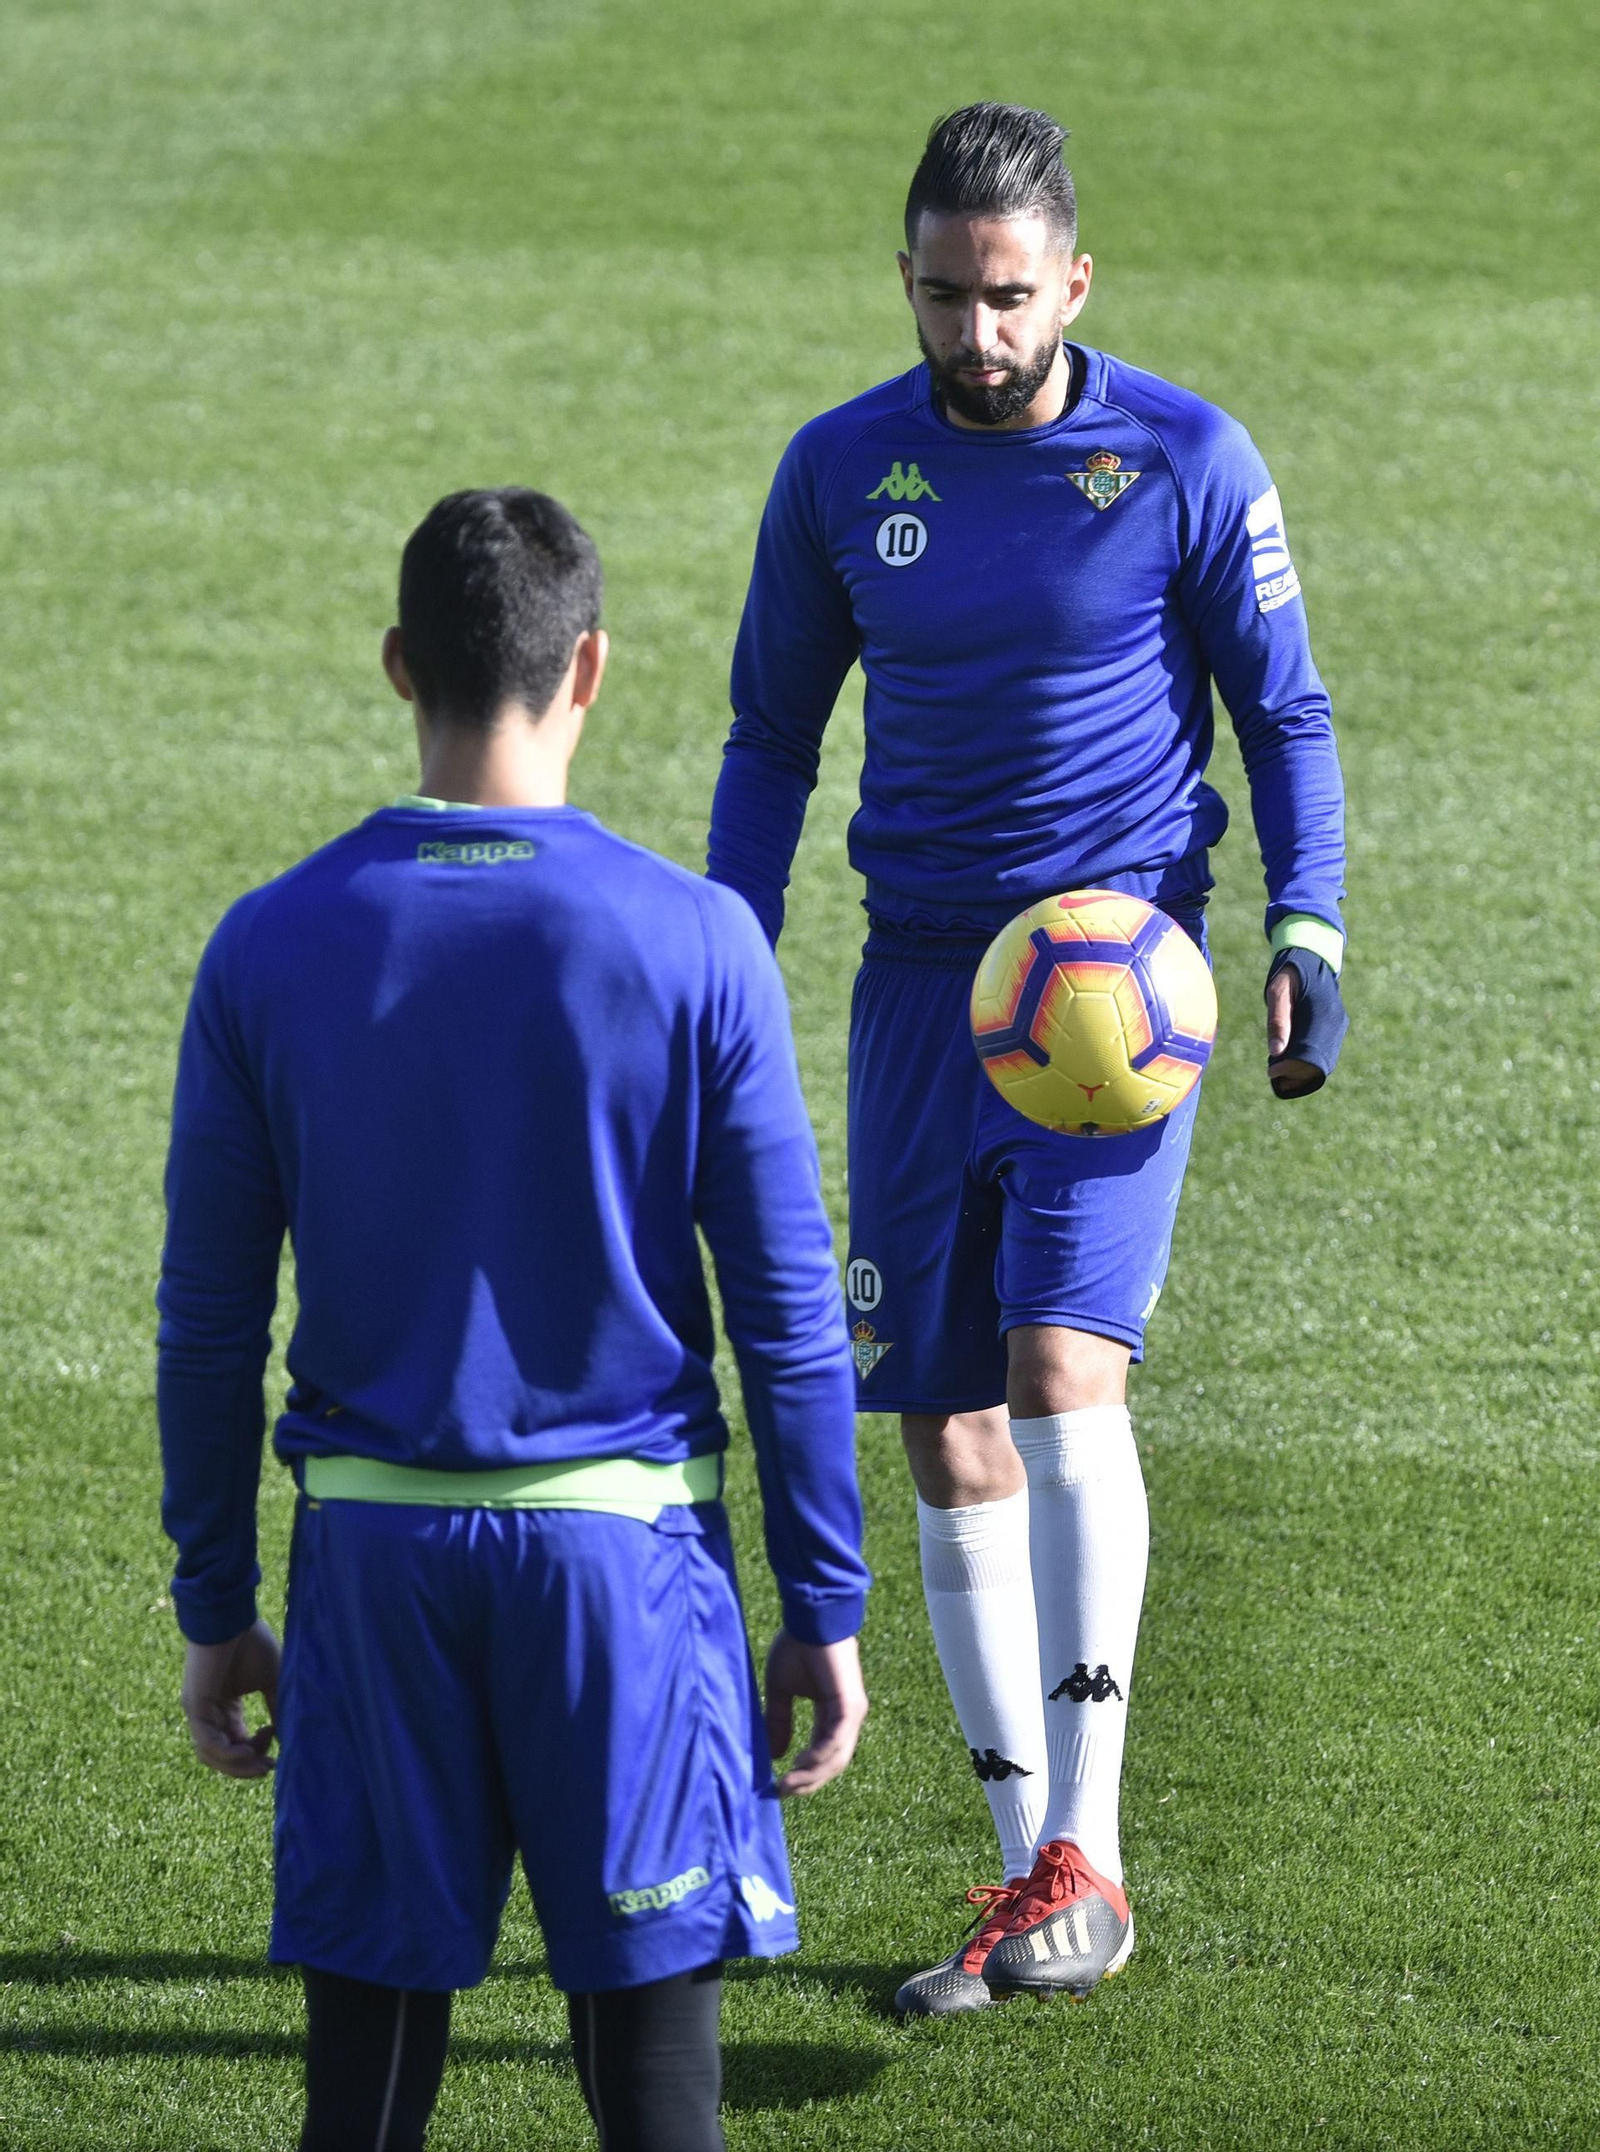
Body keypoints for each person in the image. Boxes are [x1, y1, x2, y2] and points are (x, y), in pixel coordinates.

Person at [706, 103, 1347, 2015]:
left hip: (1109, 992)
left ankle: (1096, 1849)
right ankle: (1023, 1877)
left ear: (1075, 282)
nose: (974, 334)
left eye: (1005, 298)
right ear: (901, 280)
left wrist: (1305, 926)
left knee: (1066, 1364)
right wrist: (727, 962)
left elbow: (1283, 709)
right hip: (921, 989)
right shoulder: (839, 473)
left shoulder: (1184, 456)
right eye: (940, 295)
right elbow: (767, 739)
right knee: (941, 1409)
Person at [157, 486, 870, 2150]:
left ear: (400, 663)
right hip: (625, 1581)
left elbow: (206, 1324)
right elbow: (786, 1317)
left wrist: (215, 1597)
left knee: (370, 2099)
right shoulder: (700, 945)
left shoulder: (266, 946)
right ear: (595, 669)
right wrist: (823, 1599)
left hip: (374, 1571)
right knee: (656, 2102)